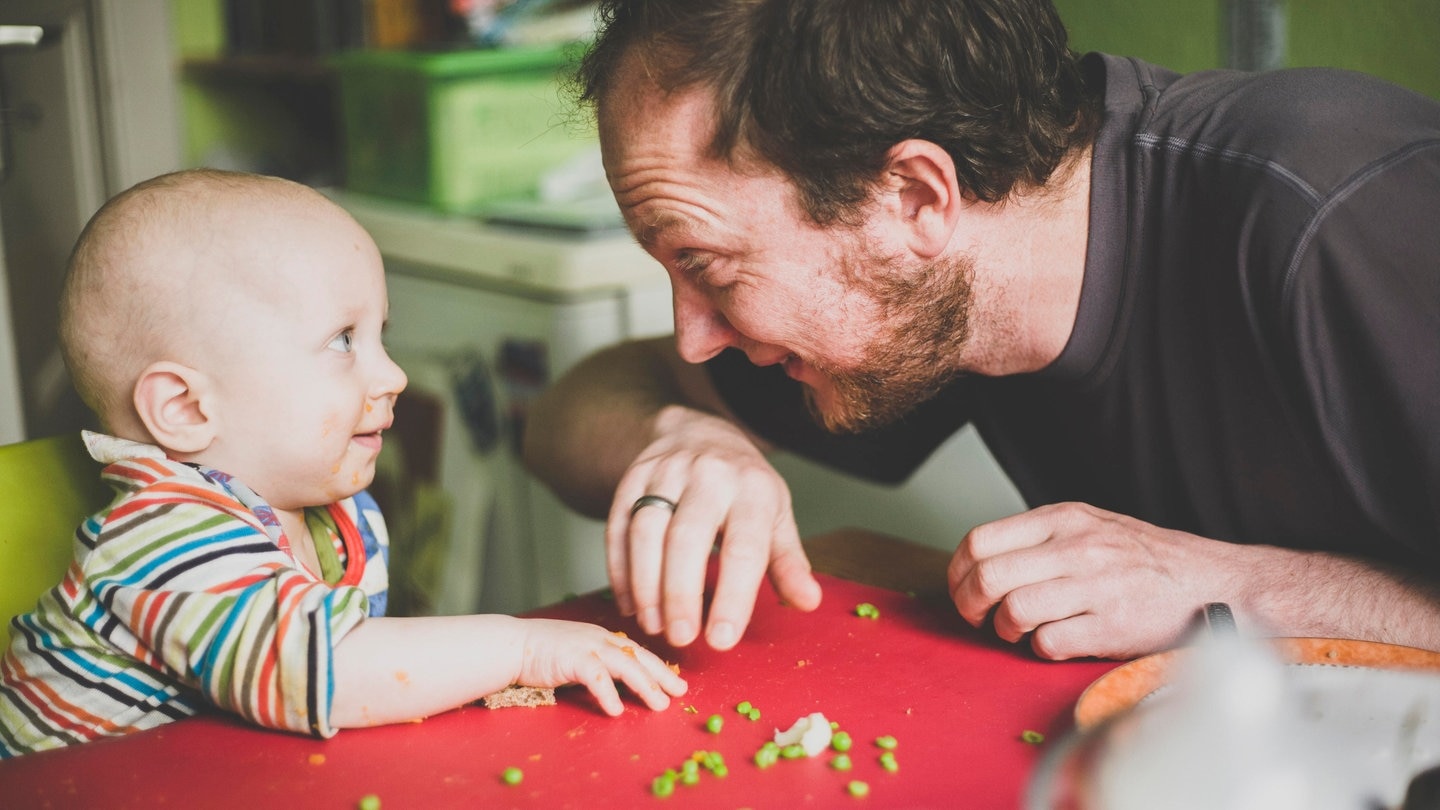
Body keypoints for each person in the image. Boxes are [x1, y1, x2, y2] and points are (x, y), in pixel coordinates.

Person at [522, 0, 1440, 661]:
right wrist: (682, 434)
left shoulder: (1335, 215)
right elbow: (569, 411)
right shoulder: (926, 293)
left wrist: (1230, 592)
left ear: (917, 196)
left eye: (708, 269)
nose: (695, 337)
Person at [0, 169, 686, 758]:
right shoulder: (161, 537)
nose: (392, 376)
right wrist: (524, 648)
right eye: (342, 341)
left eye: (378, 337)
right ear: (183, 407)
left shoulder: (332, 514)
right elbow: (325, 670)